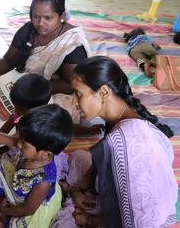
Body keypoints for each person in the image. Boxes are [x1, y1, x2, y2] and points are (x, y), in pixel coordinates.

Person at [54, 56, 177, 227]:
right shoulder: (123, 119)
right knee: (80, 157)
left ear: (104, 92)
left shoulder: (125, 144)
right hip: (126, 203)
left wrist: (90, 221)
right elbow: (97, 166)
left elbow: (137, 221)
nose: (74, 101)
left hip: (138, 221)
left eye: (79, 94)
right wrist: (78, 190)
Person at [0, 0, 90, 96]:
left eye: (47, 18)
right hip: (25, 83)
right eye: (35, 16)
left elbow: (70, 85)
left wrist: (33, 88)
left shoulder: (73, 43)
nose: (40, 23)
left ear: (62, 16)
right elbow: (8, 60)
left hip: (52, 92)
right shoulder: (29, 29)